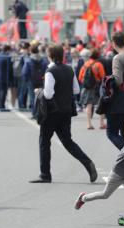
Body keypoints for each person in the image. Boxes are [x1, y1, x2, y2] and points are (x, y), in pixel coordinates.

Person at [29, 44, 97, 184]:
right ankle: (88, 163)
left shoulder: (50, 71)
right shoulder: (69, 69)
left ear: (50, 55)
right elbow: (76, 90)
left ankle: (45, 174)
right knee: (68, 141)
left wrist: (38, 92)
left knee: (44, 141)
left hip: (52, 112)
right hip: (66, 111)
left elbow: (48, 94)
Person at [78, 48, 106, 129]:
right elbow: (103, 77)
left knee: (88, 106)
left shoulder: (85, 64)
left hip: (87, 88)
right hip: (96, 87)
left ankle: (89, 124)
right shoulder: (98, 64)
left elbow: (80, 77)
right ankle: (101, 123)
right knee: (101, 104)